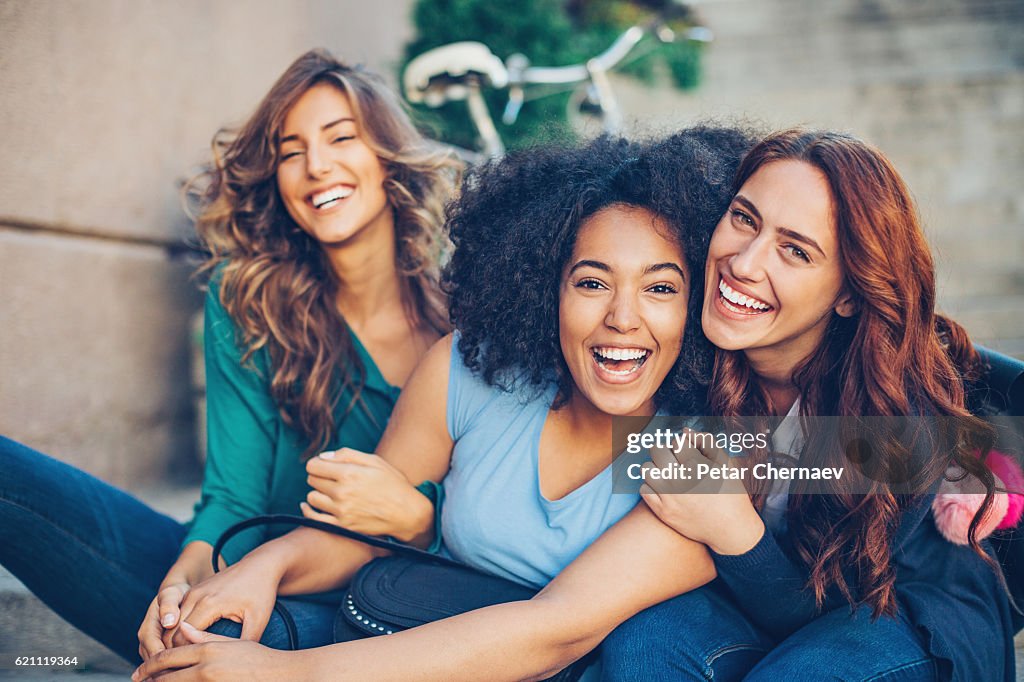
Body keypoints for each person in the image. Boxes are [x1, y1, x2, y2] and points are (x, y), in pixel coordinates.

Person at [130, 127, 756, 681]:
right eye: (591, 282)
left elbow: (556, 630)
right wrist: (263, 567)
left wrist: (286, 674)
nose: (622, 318)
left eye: (660, 288)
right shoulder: (472, 370)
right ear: (546, 289)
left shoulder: (701, 444)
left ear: (701, 296)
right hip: (420, 636)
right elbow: (365, 533)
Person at [0, 48, 458, 663]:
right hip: (246, 559)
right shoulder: (252, 300)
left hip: (381, 610)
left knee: (227, 640)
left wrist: (418, 519)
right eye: (291, 152)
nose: (316, 166)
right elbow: (232, 498)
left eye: (340, 138)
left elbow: (503, 527)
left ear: (388, 159)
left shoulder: (465, 321)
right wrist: (180, 582)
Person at [598, 129, 1016, 681]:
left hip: (901, 617)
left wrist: (732, 528)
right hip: (754, 607)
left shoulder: (893, 409)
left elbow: (827, 607)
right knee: (643, 644)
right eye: (745, 219)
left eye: (795, 251)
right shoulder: (693, 344)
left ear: (848, 292)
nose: (743, 264)